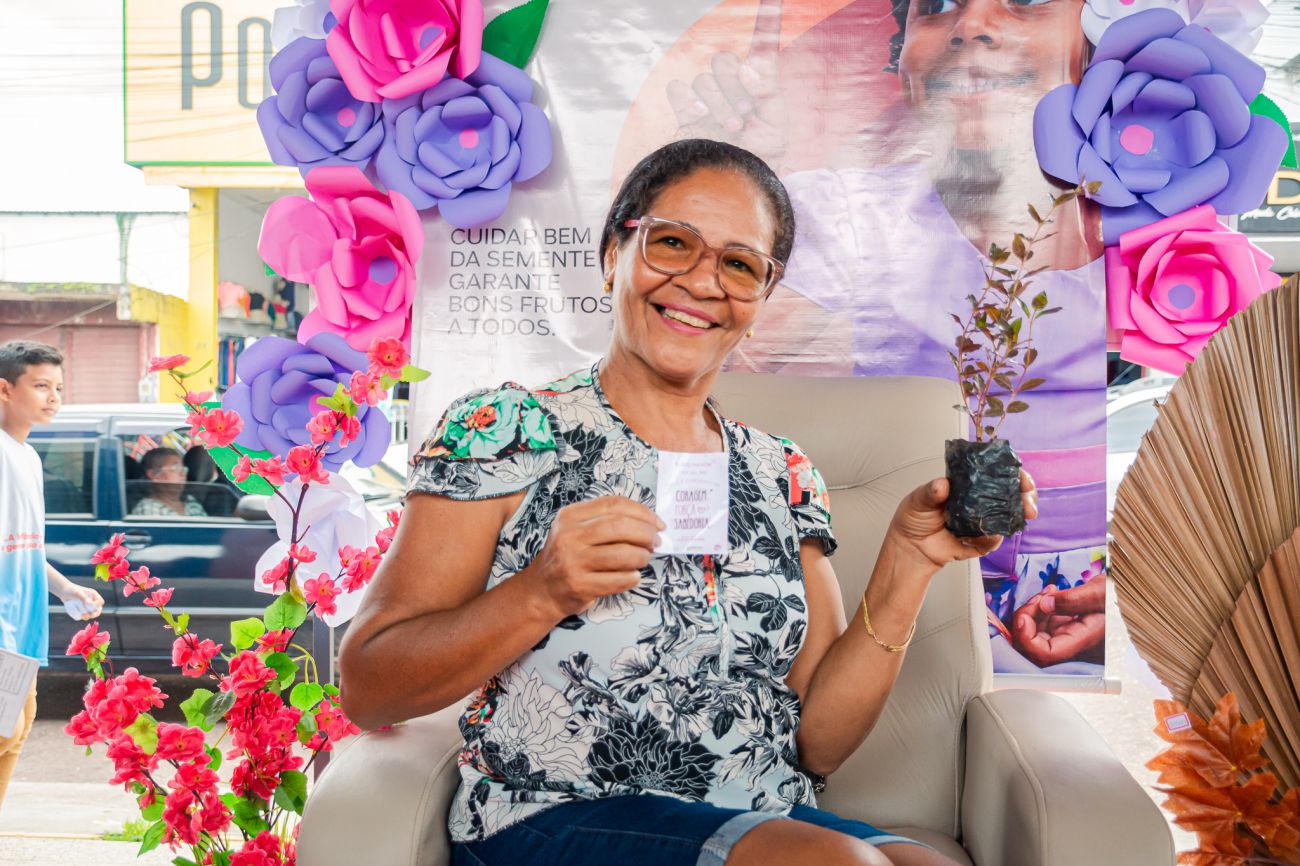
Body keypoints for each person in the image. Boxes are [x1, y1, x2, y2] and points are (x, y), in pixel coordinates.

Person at [340, 140, 1038, 866]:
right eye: (673, 243)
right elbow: (367, 686)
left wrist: (910, 561)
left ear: (761, 299)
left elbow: (818, 743)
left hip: (763, 813)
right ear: (613, 254)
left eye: (740, 264)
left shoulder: (781, 472)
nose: (704, 281)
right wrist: (539, 591)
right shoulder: (507, 429)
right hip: (555, 816)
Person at [666, 0, 1107, 673]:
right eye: (937, 6)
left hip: (1094, 612)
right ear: (903, 59)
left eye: (1023, 0)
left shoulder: (1162, 245)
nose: (969, 26)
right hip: (904, 596)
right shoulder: (850, 215)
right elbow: (708, 374)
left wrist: (1114, 599)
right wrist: (736, 193)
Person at [0, 340, 104, 807]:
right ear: (5, 389)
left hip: (24, 631)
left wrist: (64, 589)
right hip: (3, 631)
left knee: (14, 735)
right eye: (41, 386)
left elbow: (22, 547)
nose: (54, 397)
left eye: (58, 387)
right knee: (6, 732)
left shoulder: (27, 457)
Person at [131, 447, 208, 517]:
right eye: (175, 468)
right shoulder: (148, 509)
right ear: (154, 475)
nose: (182, 473)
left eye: (183, 468)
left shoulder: (191, 502)